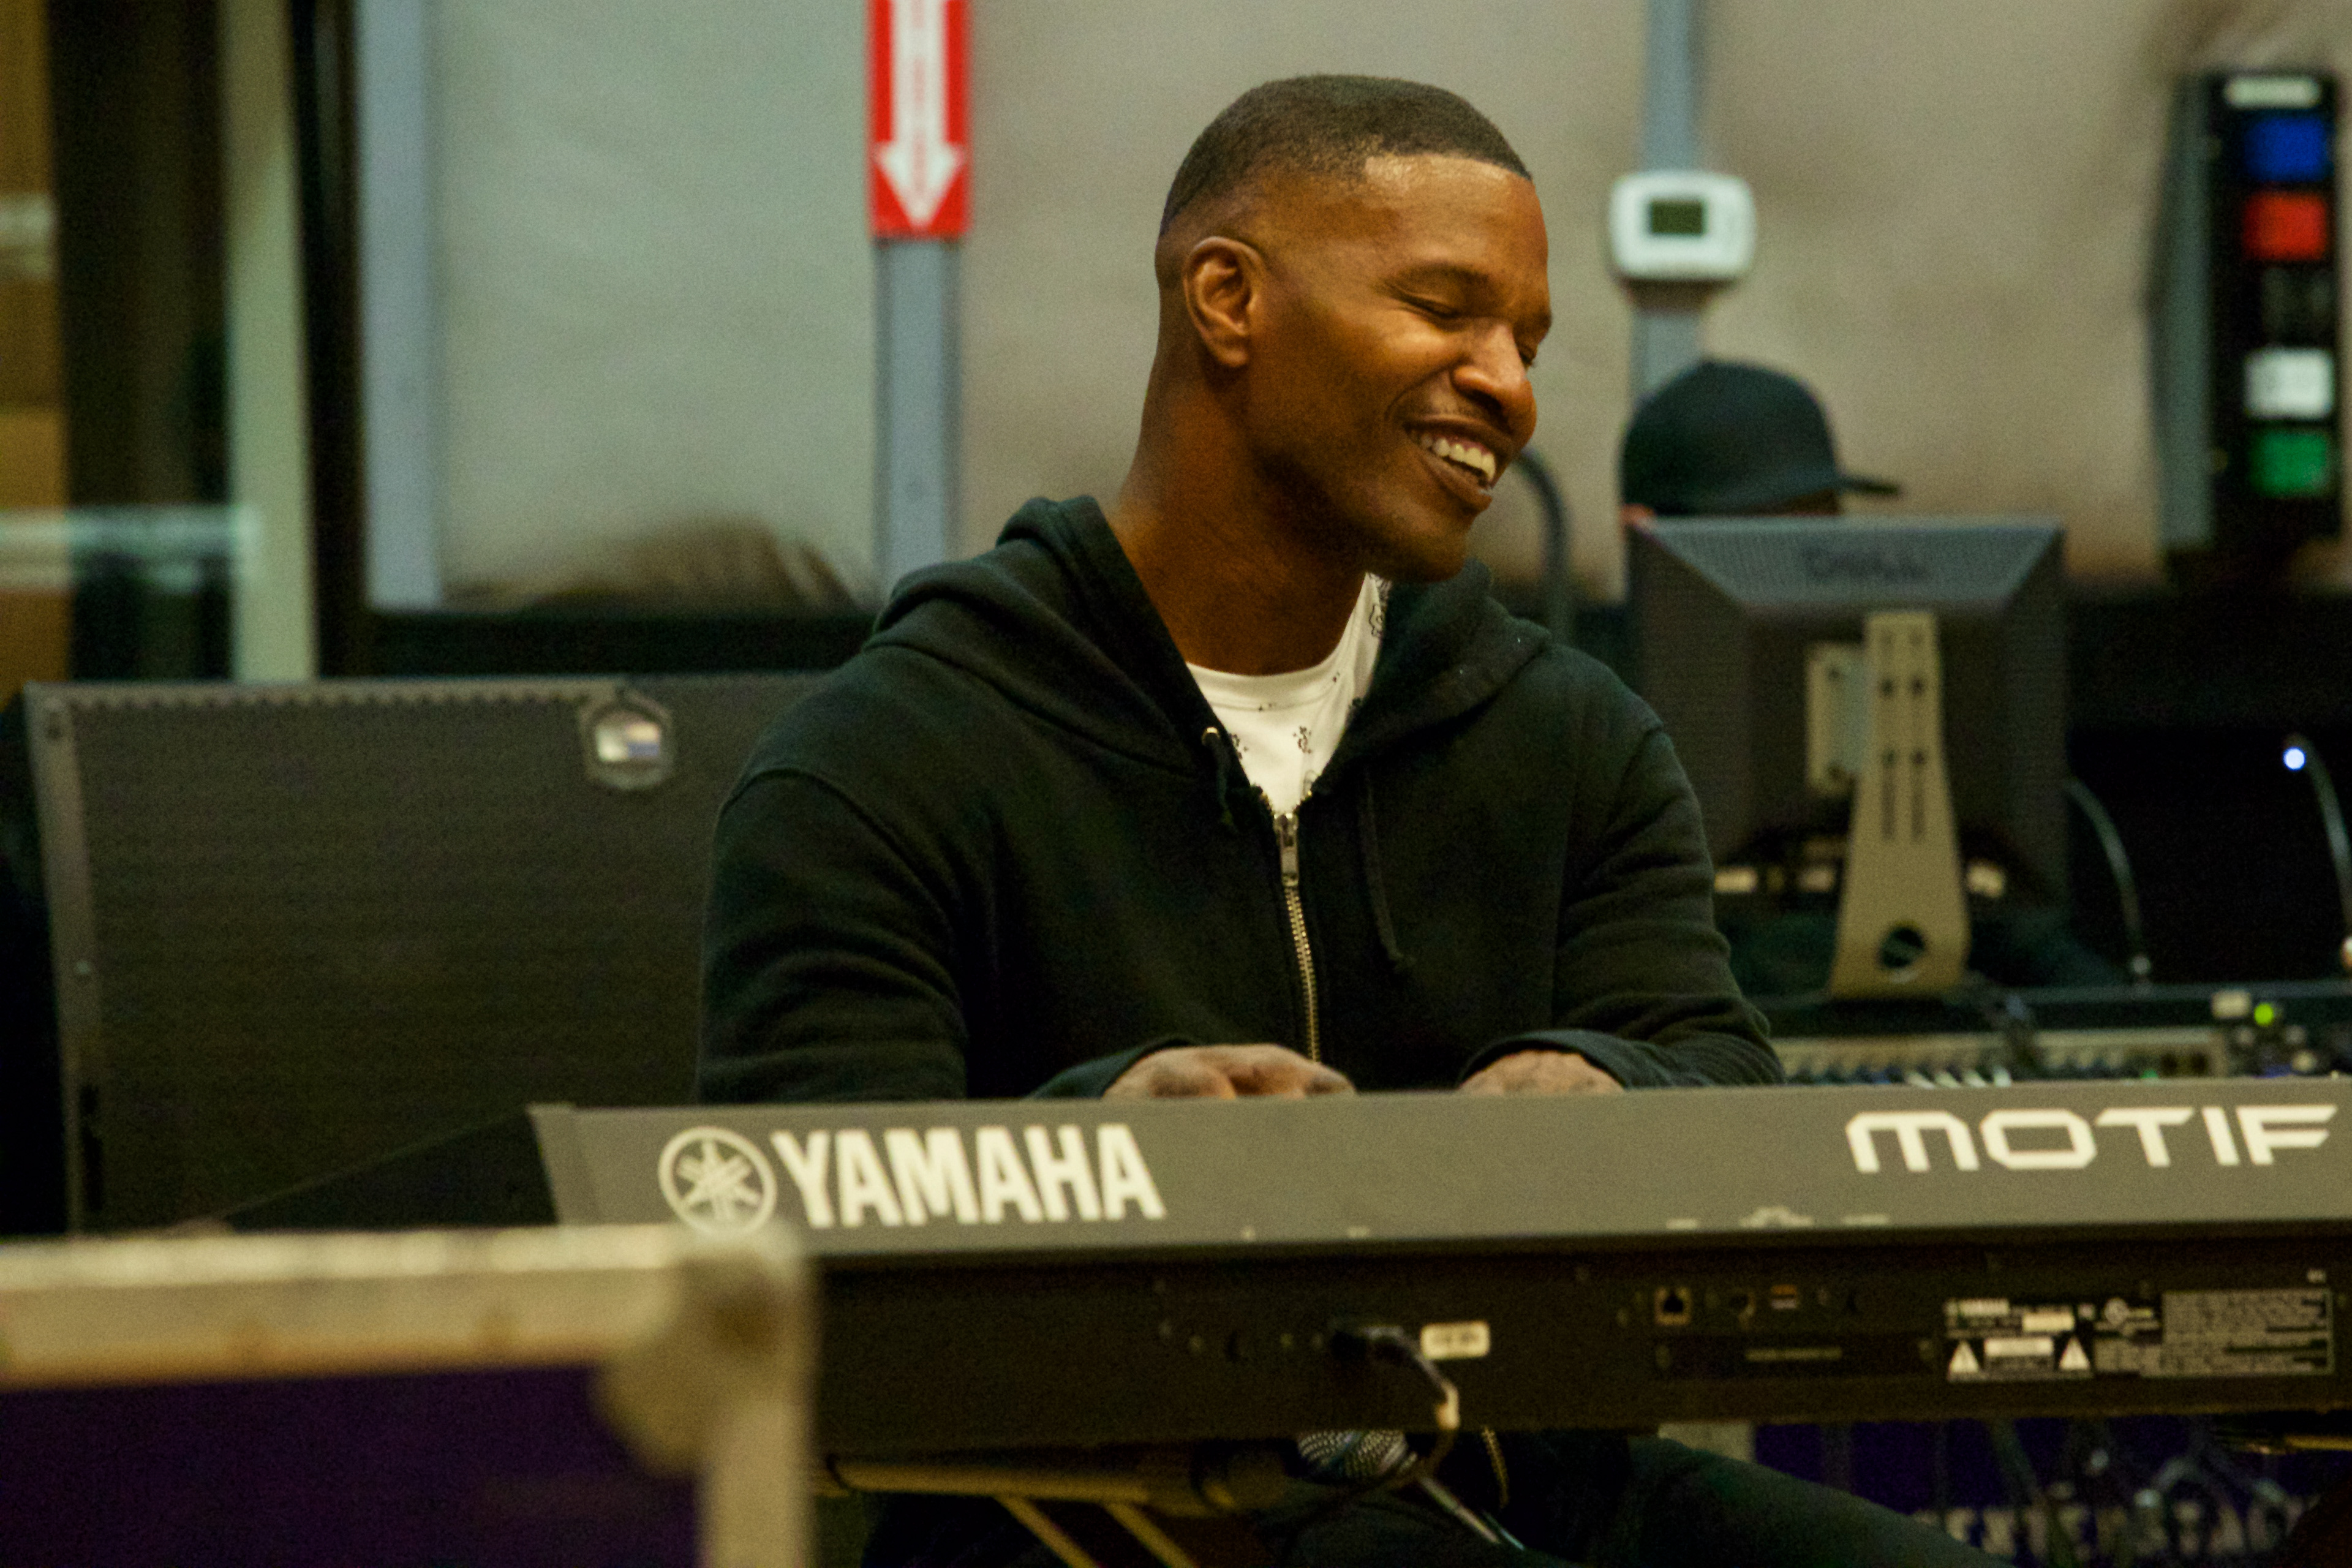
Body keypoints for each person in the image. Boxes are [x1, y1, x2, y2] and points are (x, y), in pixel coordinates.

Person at [703, 75, 1996, 1567]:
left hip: (1520, 1489)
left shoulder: (1570, 739)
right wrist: (1095, 1144)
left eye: (1526, 343)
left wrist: (1611, 1079)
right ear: (1228, 301)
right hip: (1095, 1517)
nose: (1507, 386)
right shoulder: (884, 759)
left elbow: (1723, 1078)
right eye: (1446, 310)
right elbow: (789, 1269)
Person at [1616, 360, 2120, 997]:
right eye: (1769, 535)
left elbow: (2022, 942)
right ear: (1643, 533)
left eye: (1824, 527)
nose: (1810, 568)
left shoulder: (1874, 693)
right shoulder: (1595, 726)